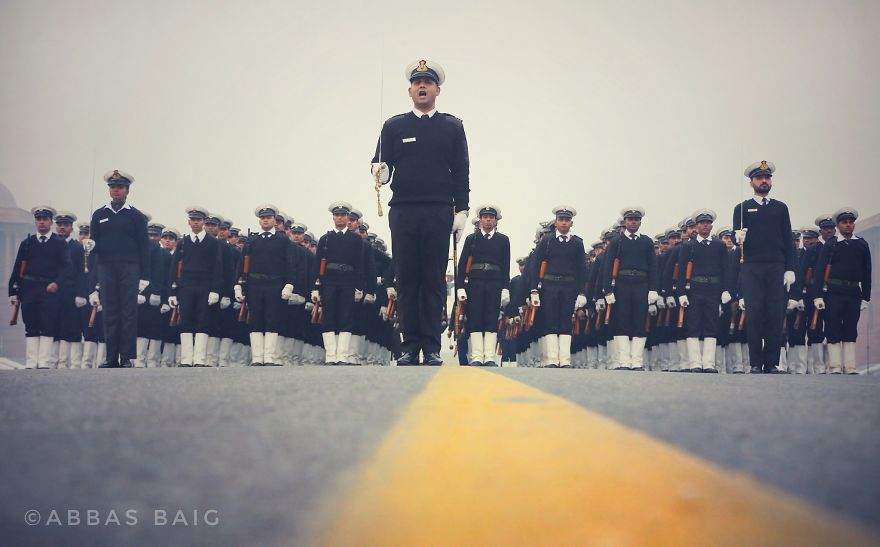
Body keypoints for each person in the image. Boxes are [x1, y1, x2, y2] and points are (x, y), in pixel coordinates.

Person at [370, 59, 470, 366]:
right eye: (417, 83)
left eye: (427, 82)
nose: (422, 86)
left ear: (438, 90)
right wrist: (380, 171)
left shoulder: (452, 126)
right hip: (404, 211)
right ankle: (409, 346)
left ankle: (431, 345)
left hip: (439, 211)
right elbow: (379, 168)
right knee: (407, 279)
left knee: (433, 280)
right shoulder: (393, 126)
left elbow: (462, 170)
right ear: (410, 90)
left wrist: (462, 210)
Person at [732, 161, 796, 373]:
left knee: (775, 313)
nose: (764, 181)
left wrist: (790, 268)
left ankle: (772, 362)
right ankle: (756, 363)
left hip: (776, 266)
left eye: (767, 178)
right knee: (755, 313)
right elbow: (736, 242)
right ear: (751, 182)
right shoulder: (741, 208)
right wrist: (737, 237)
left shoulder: (780, 208)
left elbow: (788, 240)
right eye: (759, 178)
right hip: (752, 266)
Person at [89, 169, 150, 368]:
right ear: (109, 190)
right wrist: (90, 247)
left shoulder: (136, 216)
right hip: (106, 267)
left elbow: (144, 247)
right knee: (110, 311)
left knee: (128, 311)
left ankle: (126, 357)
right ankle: (110, 356)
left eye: (120, 188)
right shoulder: (99, 214)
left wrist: (145, 276)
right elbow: (95, 244)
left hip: (130, 267)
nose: (116, 191)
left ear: (127, 191)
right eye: (113, 187)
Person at [8, 206, 72, 369]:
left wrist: (56, 283)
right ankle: (31, 361)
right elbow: (17, 268)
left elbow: (67, 268)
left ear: (51, 221)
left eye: (45, 219)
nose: (42, 222)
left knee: (48, 324)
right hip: (29, 288)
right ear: (35, 221)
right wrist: (13, 291)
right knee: (31, 324)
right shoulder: (27, 243)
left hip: (49, 289)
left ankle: (43, 361)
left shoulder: (59, 243)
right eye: (39, 219)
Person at [234, 204, 297, 366]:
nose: (266, 221)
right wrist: (238, 285)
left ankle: (269, 356)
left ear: (274, 220)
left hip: (274, 283)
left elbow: (290, 264)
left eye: (268, 218)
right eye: (263, 218)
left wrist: (289, 284)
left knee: (272, 318)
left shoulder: (283, 240)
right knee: (255, 318)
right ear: (259, 221)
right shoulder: (252, 240)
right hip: (254, 284)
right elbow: (242, 264)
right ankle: (257, 357)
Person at [813, 208, 871, 374]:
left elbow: (867, 271)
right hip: (833, 291)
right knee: (833, 326)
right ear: (838, 225)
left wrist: (865, 297)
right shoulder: (831, 244)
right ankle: (835, 365)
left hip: (853, 291)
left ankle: (850, 365)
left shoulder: (861, 244)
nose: (848, 225)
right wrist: (818, 295)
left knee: (851, 327)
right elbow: (819, 271)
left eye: (850, 222)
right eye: (844, 222)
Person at [529, 206, 587, 368]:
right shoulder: (546, 241)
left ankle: (565, 359)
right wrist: (534, 289)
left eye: (566, 220)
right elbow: (535, 265)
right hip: (549, 285)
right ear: (556, 222)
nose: (563, 223)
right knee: (551, 320)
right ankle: (552, 359)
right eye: (560, 220)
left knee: (566, 321)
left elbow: (582, 269)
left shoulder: (577, 243)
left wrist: (581, 292)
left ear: (571, 223)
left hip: (569, 286)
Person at [602, 207, 659, 371]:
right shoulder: (616, 242)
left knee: (639, 321)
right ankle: (624, 361)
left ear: (640, 222)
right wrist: (607, 290)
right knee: (622, 321)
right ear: (625, 222)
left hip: (641, 284)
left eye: (636, 219)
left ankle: (637, 361)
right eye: (630, 219)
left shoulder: (647, 242)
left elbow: (653, 267)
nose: (633, 222)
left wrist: (653, 288)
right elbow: (607, 267)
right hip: (622, 284)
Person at [675, 210, 731, 373]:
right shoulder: (688, 246)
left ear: (711, 226)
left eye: (708, 223)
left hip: (713, 290)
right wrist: (681, 293)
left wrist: (726, 290)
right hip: (694, 290)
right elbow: (682, 271)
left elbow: (725, 270)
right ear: (696, 226)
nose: (705, 226)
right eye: (701, 223)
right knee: (693, 325)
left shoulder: (719, 245)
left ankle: (708, 363)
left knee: (711, 325)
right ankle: (695, 363)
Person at [455, 205, 511, 366]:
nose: (487, 219)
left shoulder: (503, 240)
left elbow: (505, 266)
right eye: (484, 216)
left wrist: (505, 287)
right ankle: (478, 356)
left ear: (496, 220)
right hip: (475, 282)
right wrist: (460, 287)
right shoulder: (471, 239)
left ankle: (490, 356)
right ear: (480, 220)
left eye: (491, 217)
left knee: (491, 318)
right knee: (475, 318)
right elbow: (462, 264)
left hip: (495, 282)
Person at [312, 202, 365, 365]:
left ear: (348, 217)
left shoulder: (355, 239)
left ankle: (342, 355)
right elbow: (317, 264)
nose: (340, 218)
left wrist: (359, 287)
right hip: (329, 282)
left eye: (343, 215)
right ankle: (331, 355)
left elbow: (359, 264)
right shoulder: (325, 239)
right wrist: (315, 288)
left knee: (346, 317)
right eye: (337, 215)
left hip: (348, 281)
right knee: (329, 317)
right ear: (333, 217)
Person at [169, 207, 223, 367]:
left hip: (205, 286)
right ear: (188, 222)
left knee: (202, 320)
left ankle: (199, 358)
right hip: (186, 286)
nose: (195, 223)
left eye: (198, 220)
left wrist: (215, 290)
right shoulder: (183, 242)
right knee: (185, 320)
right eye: (193, 220)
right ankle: (186, 358)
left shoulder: (213, 242)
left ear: (204, 222)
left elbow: (217, 268)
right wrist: (172, 291)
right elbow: (174, 268)